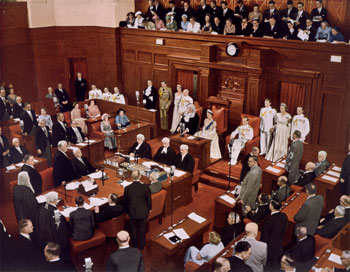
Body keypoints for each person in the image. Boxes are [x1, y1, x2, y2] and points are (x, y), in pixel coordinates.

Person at [36, 192, 70, 258]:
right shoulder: (56, 212)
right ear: (54, 201)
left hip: (44, 238)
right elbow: (60, 228)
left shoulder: (42, 207)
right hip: (56, 240)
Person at [124, 170, 151, 249]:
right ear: (140, 176)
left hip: (133, 213)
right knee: (142, 229)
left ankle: (135, 245)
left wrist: (128, 211)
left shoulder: (127, 188)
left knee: (133, 230)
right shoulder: (145, 187)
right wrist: (149, 208)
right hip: (144, 212)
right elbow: (149, 199)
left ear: (132, 177)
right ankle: (142, 245)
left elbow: (126, 202)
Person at [260, 200, 288, 270]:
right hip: (279, 247)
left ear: (271, 206)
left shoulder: (268, 220)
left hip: (270, 251)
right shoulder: (284, 216)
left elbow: (264, 238)